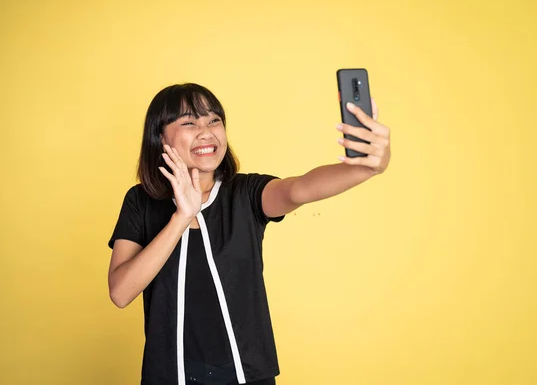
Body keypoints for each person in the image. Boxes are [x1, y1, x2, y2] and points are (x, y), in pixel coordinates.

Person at [107, 83, 391, 385]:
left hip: (248, 376)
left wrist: (369, 167)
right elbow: (121, 292)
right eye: (189, 122)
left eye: (214, 120)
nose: (206, 131)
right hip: (169, 377)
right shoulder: (140, 202)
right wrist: (181, 217)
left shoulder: (246, 193)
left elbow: (300, 189)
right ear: (160, 136)